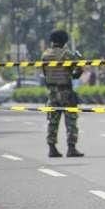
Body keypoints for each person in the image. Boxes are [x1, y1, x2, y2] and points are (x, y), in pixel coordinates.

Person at [42, 30, 84, 158]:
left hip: (51, 93)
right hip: (65, 91)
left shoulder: (45, 55)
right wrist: (80, 64)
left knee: (52, 122)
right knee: (71, 121)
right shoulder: (67, 54)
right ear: (64, 41)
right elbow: (77, 70)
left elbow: (45, 73)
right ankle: (71, 148)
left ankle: (52, 148)